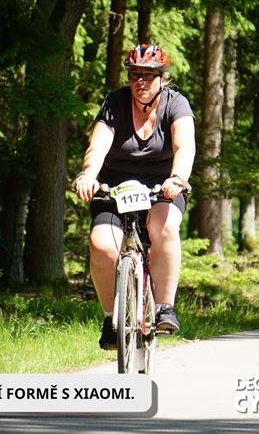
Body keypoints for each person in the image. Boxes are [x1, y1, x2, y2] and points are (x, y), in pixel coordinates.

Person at [73, 43, 196, 350]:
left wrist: (177, 178)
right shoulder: (114, 103)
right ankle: (111, 319)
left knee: (164, 227)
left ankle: (164, 307)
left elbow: (184, 147)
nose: (140, 81)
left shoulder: (176, 104)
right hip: (114, 187)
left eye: (149, 75)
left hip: (162, 187)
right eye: (134, 75)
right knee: (101, 244)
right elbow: (98, 146)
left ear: (162, 78)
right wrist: (88, 175)